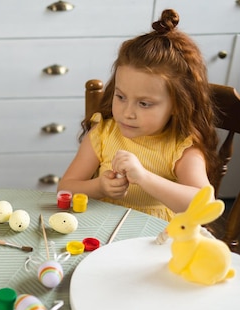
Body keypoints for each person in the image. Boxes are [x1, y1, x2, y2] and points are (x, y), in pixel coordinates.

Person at [58, 9, 219, 221]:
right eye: (121, 97)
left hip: (154, 242)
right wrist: (99, 187)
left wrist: (144, 178)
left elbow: (205, 205)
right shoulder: (104, 134)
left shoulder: (181, 148)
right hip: (101, 233)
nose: (127, 113)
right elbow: (65, 189)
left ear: (178, 105)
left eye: (144, 103)